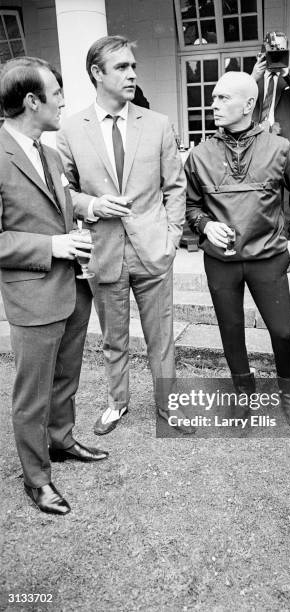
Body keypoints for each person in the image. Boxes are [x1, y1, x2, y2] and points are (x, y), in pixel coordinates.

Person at [57, 36, 193, 435]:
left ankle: (168, 407)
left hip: (153, 250)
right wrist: (92, 206)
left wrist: (170, 239)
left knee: (161, 338)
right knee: (113, 340)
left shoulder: (158, 123)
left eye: (133, 66)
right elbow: (64, 191)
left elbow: (175, 188)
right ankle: (117, 403)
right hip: (105, 251)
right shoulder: (70, 130)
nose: (132, 73)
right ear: (97, 73)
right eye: (121, 67)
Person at [0, 57, 108, 516]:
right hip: (34, 293)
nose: (64, 99)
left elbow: (59, 202)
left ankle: (61, 441)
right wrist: (54, 245)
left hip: (73, 287)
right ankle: (37, 479)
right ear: (32, 101)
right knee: (33, 393)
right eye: (57, 91)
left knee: (66, 378)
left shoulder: (47, 150)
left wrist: (83, 216)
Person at [185, 71, 290, 430]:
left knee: (284, 332)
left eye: (223, 98)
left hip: (268, 258)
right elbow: (190, 207)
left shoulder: (280, 148)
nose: (214, 104)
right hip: (221, 261)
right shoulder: (199, 155)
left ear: (249, 104)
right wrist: (205, 225)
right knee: (230, 328)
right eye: (213, 98)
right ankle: (243, 393)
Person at [251, 31, 290, 153]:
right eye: (272, 49)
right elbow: (238, 102)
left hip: (285, 145)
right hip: (256, 144)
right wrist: (253, 77)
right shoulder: (254, 80)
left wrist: (286, 73)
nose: (276, 53)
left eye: (281, 49)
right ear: (264, 51)